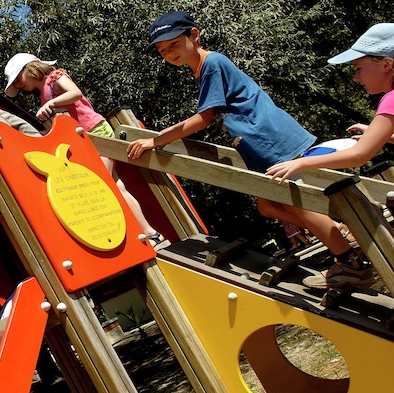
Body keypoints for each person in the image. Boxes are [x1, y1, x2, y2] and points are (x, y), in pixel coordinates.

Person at [127, 11, 373, 289]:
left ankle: (349, 262)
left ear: (194, 35)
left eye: (173, 44)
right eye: (162, 50)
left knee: (298, 205)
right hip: (259, 143)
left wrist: (155, 141)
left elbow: (203, 118)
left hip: (268, 138)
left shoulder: (211, 64)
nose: (169, 52)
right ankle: (337, 231)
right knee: (267, 205)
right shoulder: (202, 69)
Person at [266, 23, 394, 286]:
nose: (356, 77)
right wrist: (378, 132)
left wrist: (301, 162)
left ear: (386, 64)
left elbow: (358, 155)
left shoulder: (390, 100)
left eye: (359, 68)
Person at [3, 53, 168, 249]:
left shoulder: (55, 78)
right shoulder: (43, 95)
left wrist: (51, 103)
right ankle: (151, 234)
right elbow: (62, 124)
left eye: (17, 79)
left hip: (95, 133)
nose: (18, 86)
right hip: (83, 139)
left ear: (28, 68)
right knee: (115, 185)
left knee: (103, 185)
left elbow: (75, 93)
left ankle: (145, 234)